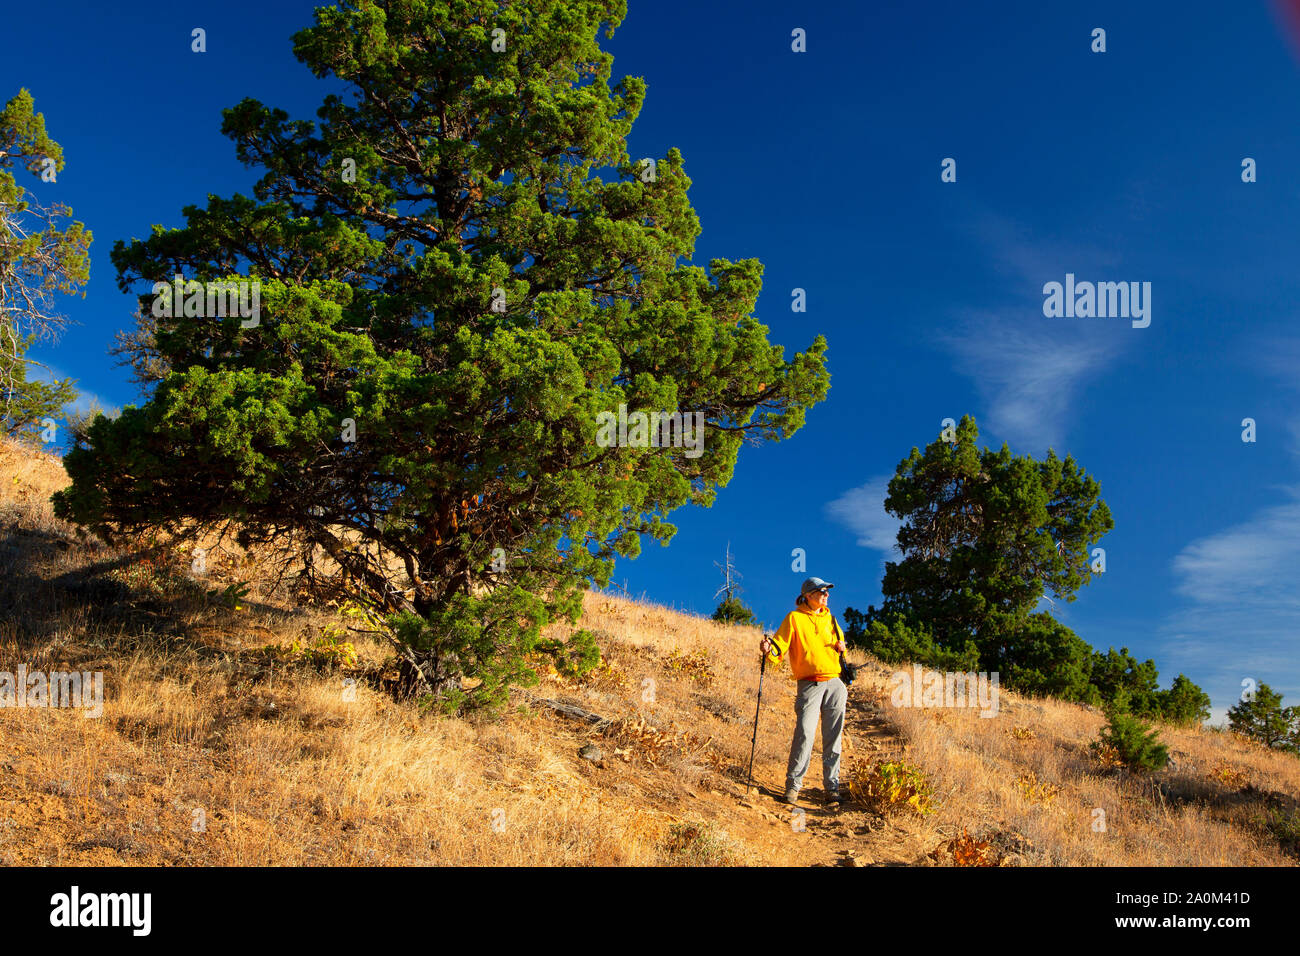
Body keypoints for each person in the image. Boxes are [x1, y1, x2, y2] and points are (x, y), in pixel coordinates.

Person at [758, 576, 849, 806]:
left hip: (835, 683)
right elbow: (779, 648)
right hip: (809, 684)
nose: (826, 595)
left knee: (833, 737)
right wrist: (769, 650)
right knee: (805, 734)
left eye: (827, 592)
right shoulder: (794, 618)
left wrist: (842, 649)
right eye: (821, 592)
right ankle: (793, 787)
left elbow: (842, 651)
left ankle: (832, 789)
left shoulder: (832, 620)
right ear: (808, 595)